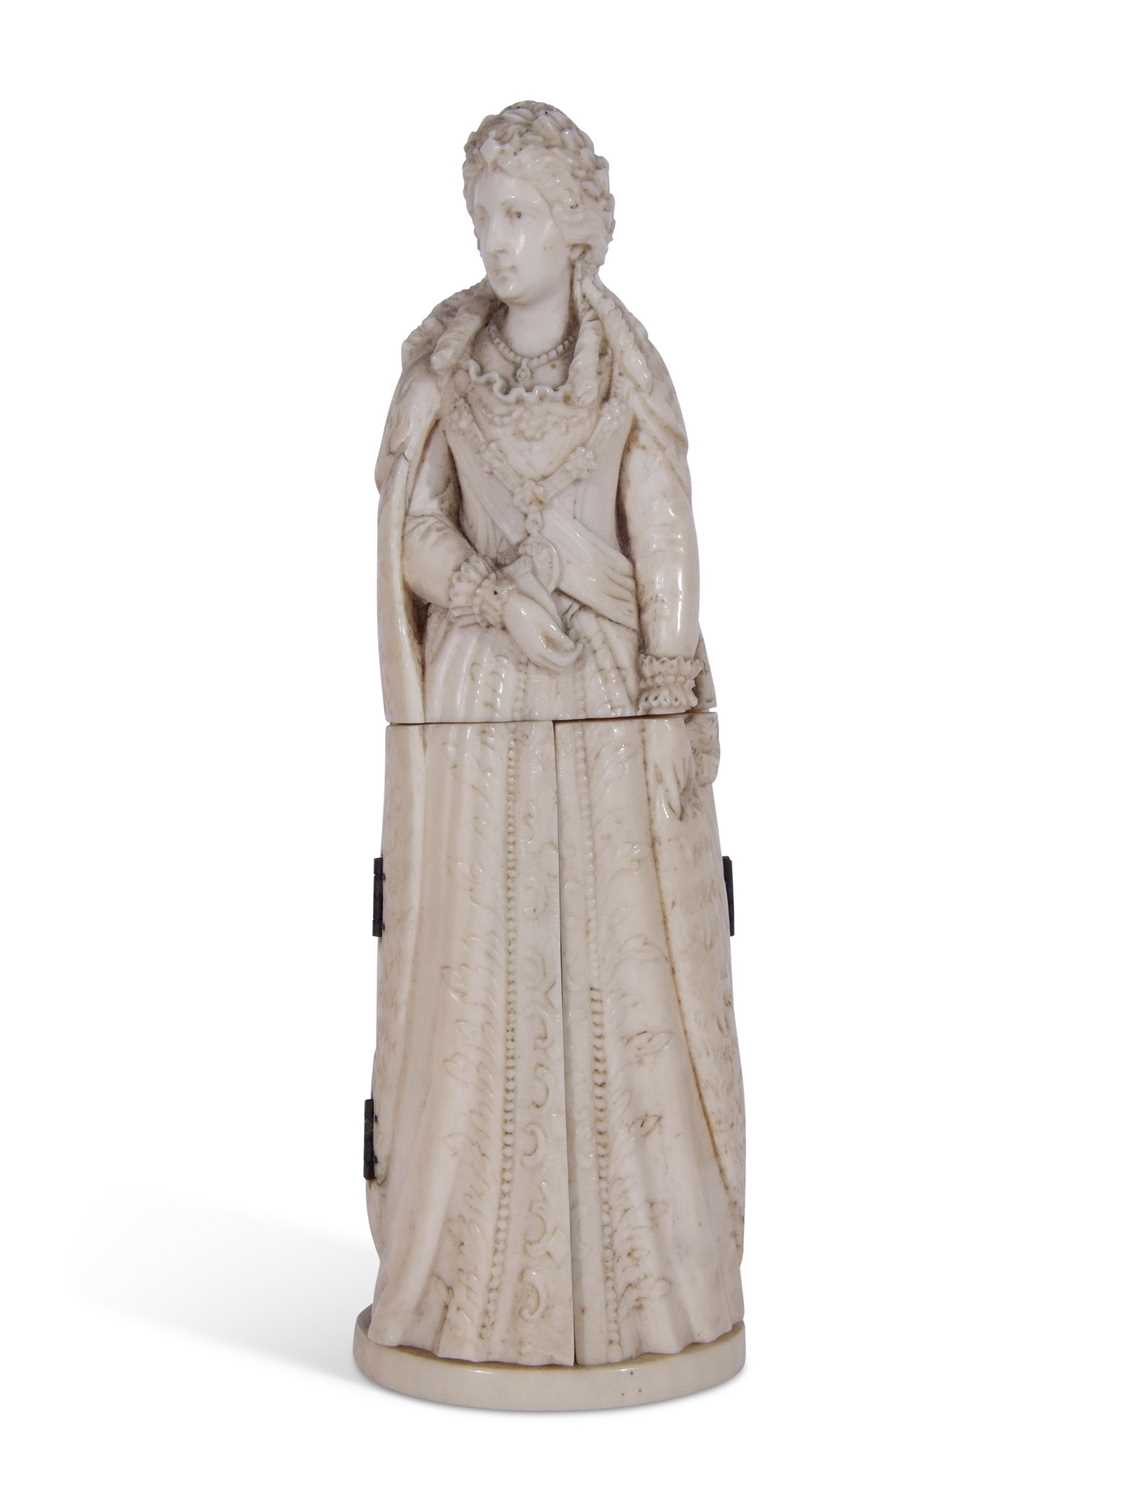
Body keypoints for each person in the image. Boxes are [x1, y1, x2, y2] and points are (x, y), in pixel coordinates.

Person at [364, 102, 745, 1369]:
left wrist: (673, 695)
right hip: (483, 712)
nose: (497, 239)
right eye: (483, 214)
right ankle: (469, 1281)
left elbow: (666, 540)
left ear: (578, 230)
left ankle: (647, 1297)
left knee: (618, 969)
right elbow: (415, 533)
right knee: (484, 970)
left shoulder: (629, 380)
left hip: (603, 719)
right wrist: (488, 597)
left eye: (520, 214)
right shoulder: (444, 376)